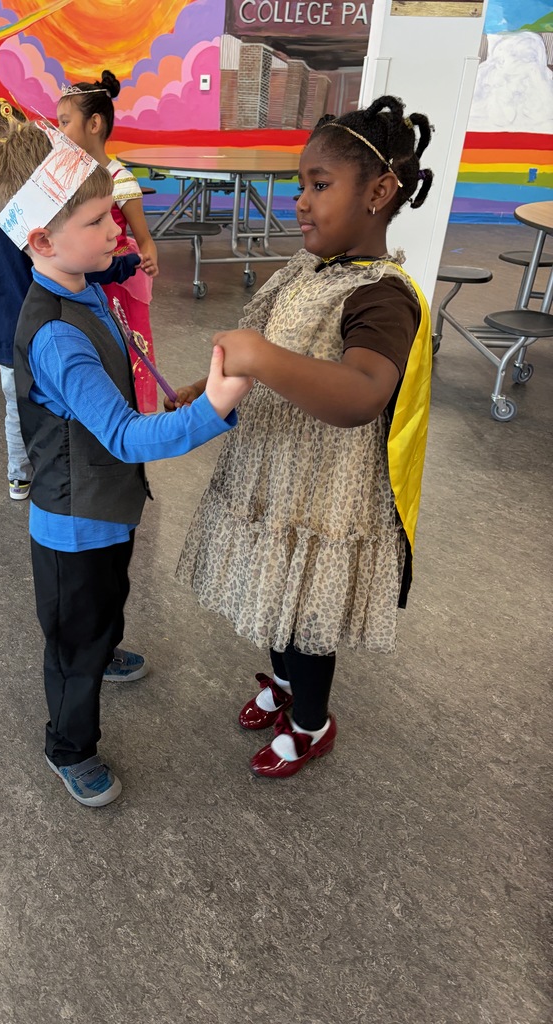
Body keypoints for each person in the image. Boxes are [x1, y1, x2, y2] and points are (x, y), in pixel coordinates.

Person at [0, 119, 251, 807]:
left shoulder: (79, 281)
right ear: (41, 241)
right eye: (101, 222)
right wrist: (215, 405)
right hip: (74, 523)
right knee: (75, 638)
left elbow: (107, 270)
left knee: (109, 597)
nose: (118, 232)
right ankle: (68, 746)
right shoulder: (56, 340)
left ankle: (104, 645)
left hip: (104, 509)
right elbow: (127, 437)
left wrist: (120, 263)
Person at [173, 95, 435, 780]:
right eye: (300, 184)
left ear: (379, 193)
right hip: (272, 479)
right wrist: (194, 391)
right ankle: (287, 688)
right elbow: (252, 345)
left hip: (323, 498)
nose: (300, 200)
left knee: (304, 617)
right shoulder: (304, 269)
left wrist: (261, 358)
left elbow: (362, 392)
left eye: (320, 185)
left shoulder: (383, 296)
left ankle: (312, 723)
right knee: (275, 598)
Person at [0, 99, 142, 501]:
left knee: (18, 407)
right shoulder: (29, 213)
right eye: (97, 220)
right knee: (58, 408)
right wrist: (126, 266)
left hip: (1, 334)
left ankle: (19, 475)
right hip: (37, 329)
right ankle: (52, 476)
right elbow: (75, 264)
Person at [56, 70, 160, 413]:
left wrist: (148, 257)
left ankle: (126, 411)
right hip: (81, 276)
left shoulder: (120, 179)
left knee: (122, 348)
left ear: (94, 124)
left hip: (116, 281)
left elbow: (144, 240)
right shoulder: (67, 176)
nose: (59, 130)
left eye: (65, 121)